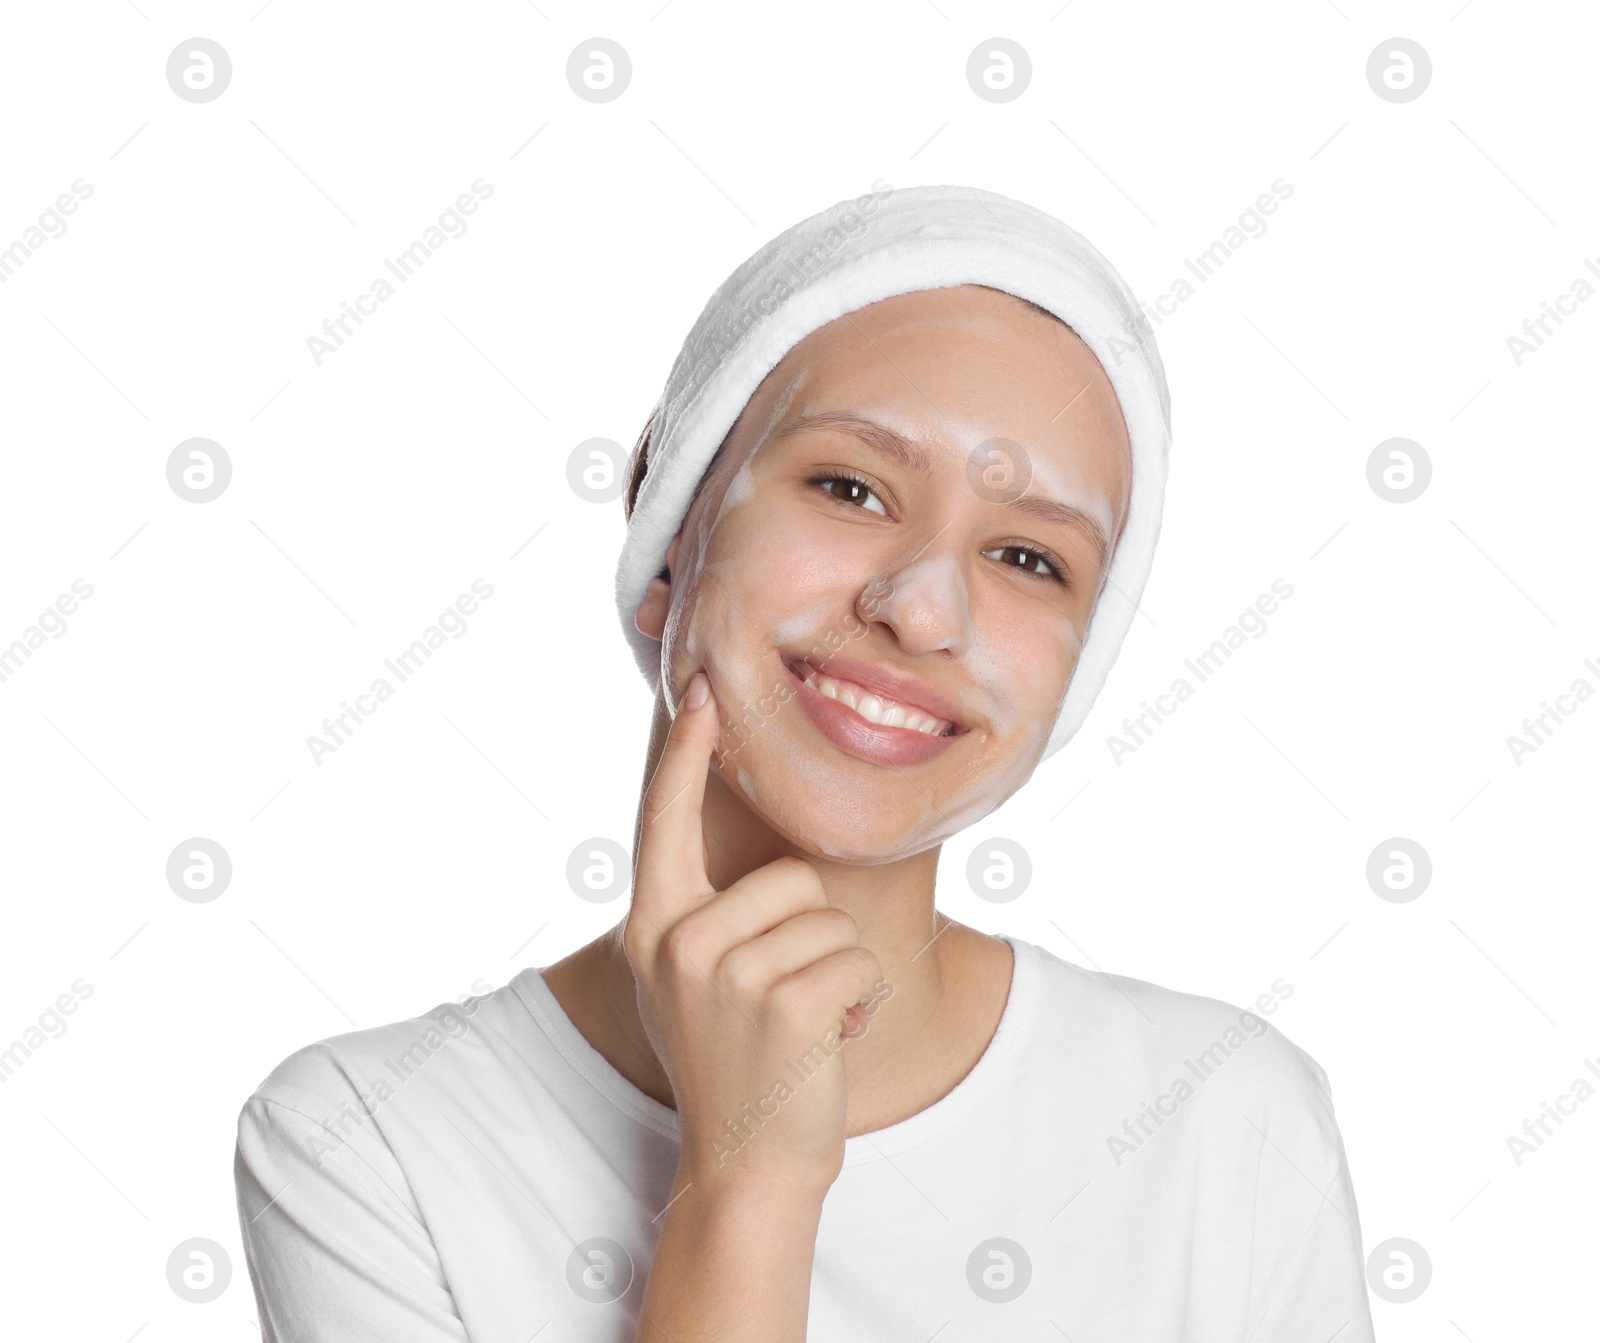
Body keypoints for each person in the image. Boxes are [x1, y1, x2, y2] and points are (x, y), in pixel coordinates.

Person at [235, 186, 1376, 1342]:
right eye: (850, 487)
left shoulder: (1230, 1122)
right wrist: (748, 1183)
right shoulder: (369, 1141)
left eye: (1030, 556)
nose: (923, 608)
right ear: (669, 520)